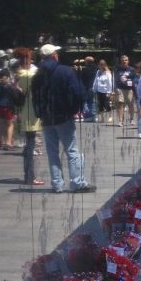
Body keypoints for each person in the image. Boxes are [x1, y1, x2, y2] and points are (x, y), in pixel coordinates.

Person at [31, 44, 95, 193]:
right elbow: (78, 93)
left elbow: (35, 97)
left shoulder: (38, 75)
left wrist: (39, 113)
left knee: (52, 152)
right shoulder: (65, 71)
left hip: (46, 118)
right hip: (63, 117)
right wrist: (73, 110)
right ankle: (77, 183)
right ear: (54, 55)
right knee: (72, 151)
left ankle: (57, 184)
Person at [13, 47, 43, 186]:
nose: (28, 59)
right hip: (31, 109)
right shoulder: (28, 73)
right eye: (27, 57)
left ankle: (29, 175)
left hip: (25, 109)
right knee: (30, 145)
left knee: (29, 145)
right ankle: (30, 176)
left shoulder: (17, 73)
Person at [114, 55, 137, 127]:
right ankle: (121, 121)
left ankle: (132, 119)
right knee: (120, 104)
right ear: (120, 61)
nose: (124, 62)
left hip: (129, 89)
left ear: (128, 61)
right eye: (123, 60)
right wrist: (115, 88)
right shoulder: (117, 69)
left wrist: (132, 85)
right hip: (120, 89)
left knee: (131, 104)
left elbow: (134, 79)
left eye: (126, 60)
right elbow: (116, 79)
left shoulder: (132, 69)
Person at [92, 59, 114, 123]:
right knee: (100, 105)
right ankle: (102, 118)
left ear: (104, 65)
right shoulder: (98, 72)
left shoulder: (107, 73)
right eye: (100, 65)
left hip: (105, 91)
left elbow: (109, 83)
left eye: (102, 65)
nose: (101, 66)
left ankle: (110, 116)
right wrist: (94, 88)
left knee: (106, 104)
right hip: (99, 91)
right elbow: (96, 81)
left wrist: (109, 92)